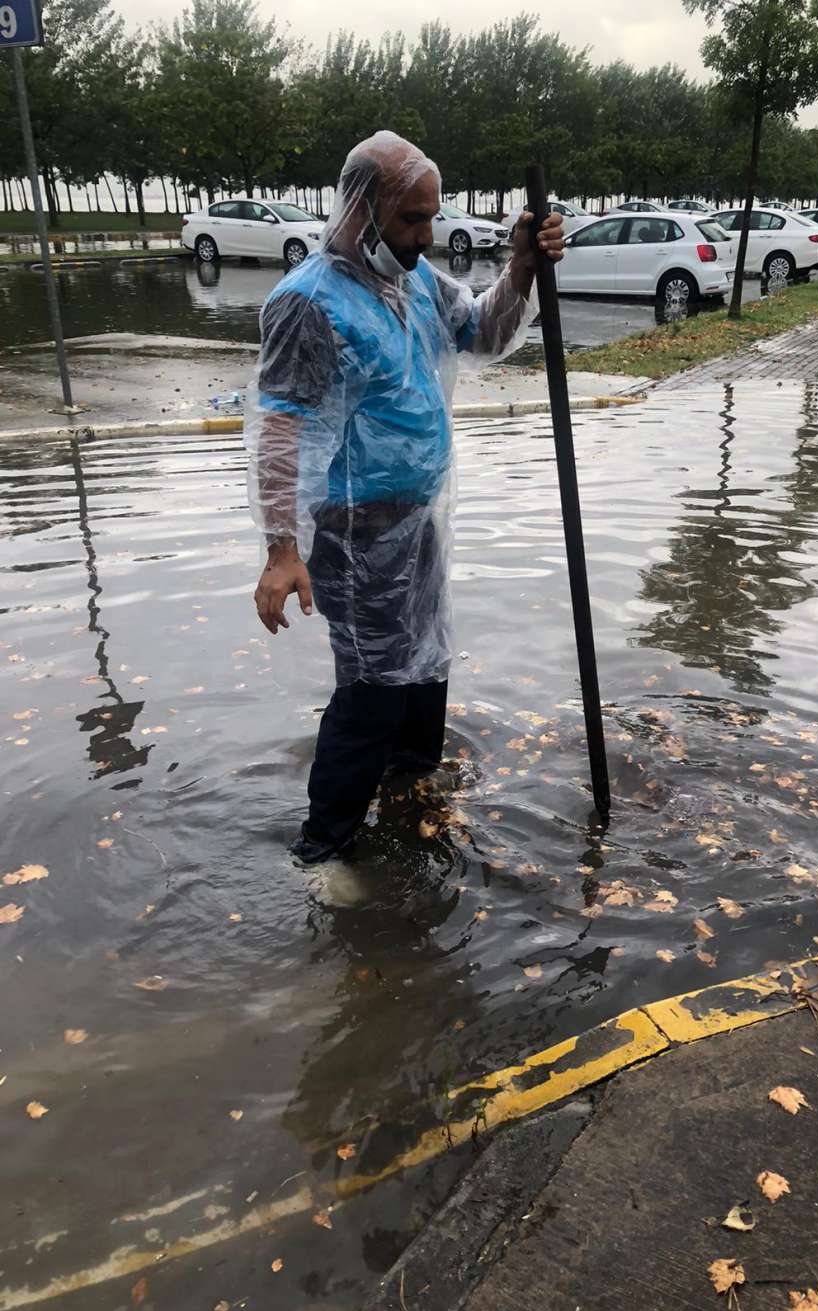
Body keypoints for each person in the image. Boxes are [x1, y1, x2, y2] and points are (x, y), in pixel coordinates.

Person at [245, 131, 564, 864]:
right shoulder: (308, 304)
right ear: (361, 211)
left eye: (431, 217)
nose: (428, 235)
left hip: (420, 526)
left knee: (426, 671)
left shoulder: (414, 282)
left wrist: (520, 266)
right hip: (355, 538)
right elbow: (280, 430)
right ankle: (323, 850)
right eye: (412, 220)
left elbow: (481, 333)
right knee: (372, 694)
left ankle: (414, 792)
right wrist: (281, 550)